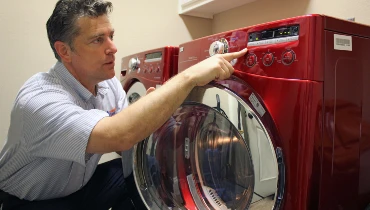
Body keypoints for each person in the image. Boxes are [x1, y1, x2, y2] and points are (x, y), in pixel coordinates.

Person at [0, 0, 248, 209]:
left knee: (142, 171)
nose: (113, 48)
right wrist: (189, 76)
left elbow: (126, 145)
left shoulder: (106, 84)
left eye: (111, 36)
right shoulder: (38, 100)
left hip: (81, 187)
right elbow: (120, 135)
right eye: (98, 40)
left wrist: (153, 111)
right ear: (64, 51)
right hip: (31, 202)